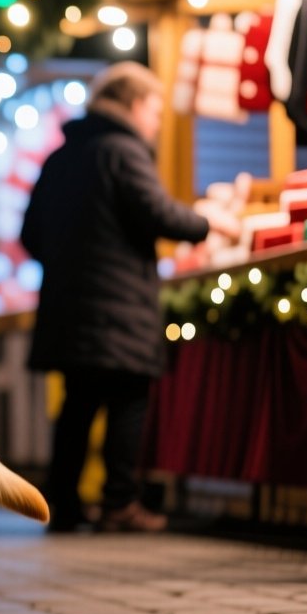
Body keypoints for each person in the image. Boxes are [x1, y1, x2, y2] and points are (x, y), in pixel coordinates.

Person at [22, 61, 238, 534]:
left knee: (77, 406)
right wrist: (210, 222)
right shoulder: (123, 150)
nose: (158, 123)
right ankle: (120, 504)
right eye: (156, 111)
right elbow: (158, 214)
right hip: (118, 306)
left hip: (68, 307)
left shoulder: (60, 157)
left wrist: (71, 263)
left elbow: (30, 235)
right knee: (127, 399)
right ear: (136, 104)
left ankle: (63, 506)